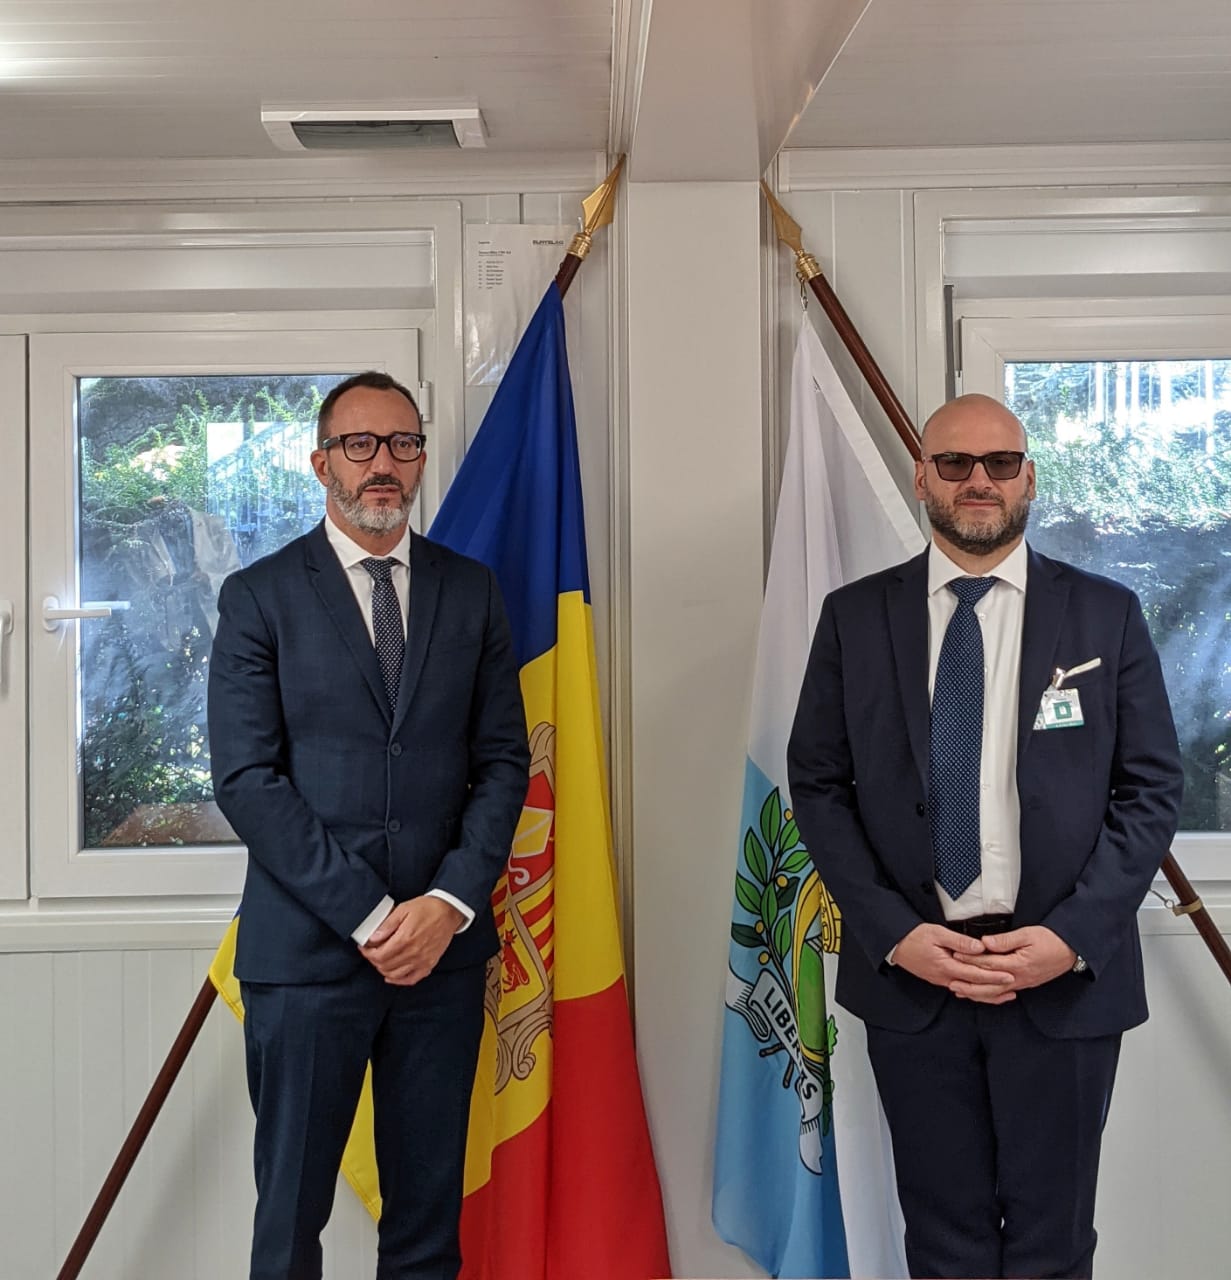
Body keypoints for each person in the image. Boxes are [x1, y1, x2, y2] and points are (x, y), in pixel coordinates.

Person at [786, 393, 1183, 1279]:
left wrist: (1071, 937)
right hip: (915, 978)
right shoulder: (854, 618)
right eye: (955, 463)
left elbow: (1150, 789)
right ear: (920, 474)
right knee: (941, 1238)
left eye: (998, 463)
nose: (978, 482)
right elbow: (817, 786)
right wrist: (896, 935)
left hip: (1061, 978)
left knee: (1052, 1242)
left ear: (1027, 478)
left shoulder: (1104, 615)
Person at [208, 370, 530, 1280]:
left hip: (442, 959)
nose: (382, 464)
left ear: (422, 459)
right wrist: (372, 914)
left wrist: (449, 903)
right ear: (321, 463)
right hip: (306, 959)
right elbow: (247, 779)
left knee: (427, 1229)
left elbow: (503, 762)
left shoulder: (471, 592)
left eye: (403, 444)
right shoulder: (259, 595)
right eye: (360, 445)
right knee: (289, 1225)